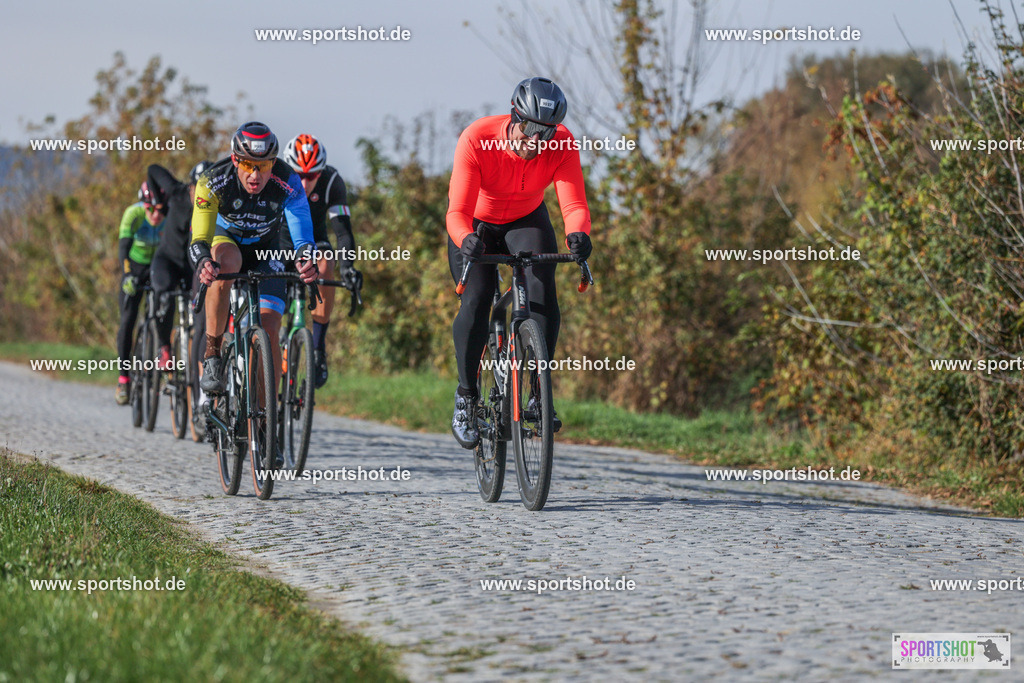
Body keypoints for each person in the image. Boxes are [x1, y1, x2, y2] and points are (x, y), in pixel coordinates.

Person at [446, 77, 593, 448]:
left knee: (543, 292)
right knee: (478, 299)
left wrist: (578, 234)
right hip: (475, 224)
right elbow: (456, 212)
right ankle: (466, 395)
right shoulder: (477, 138)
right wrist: (467, 240)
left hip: (526, 219)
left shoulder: (560, 143)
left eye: (545, 132)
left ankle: (539, 395)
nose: (535, 140)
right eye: (528, 128)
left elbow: (574, 206)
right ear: (513, 117)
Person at [188, 121, 319, 396]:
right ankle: (212, 355)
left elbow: (302, 234)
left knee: (270, 328)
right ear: (235, 160)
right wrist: (203, 260)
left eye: (264, 165)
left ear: (274, 162)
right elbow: (199, 238)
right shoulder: (213, 180)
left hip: (264, 250)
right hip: (228, 241)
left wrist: (306, 258)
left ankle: (261, 419)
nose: (255, 175)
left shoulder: (288, 181)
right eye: (248, 165)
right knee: (226, 263)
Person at [280, 134, 361, 387]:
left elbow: (343, 232)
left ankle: (317, 347)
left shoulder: (331, 181)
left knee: (327, 263)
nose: (304, 184)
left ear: (321, 171)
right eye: (299, 175)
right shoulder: (276, 177)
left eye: (312, 175)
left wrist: (348, 268)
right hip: (279, 242)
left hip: (314, 240)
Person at [147, 160, 212, 371]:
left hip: (191, 267)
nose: (200, 195)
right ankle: (164, 348)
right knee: (164, 295)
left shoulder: (212, 206)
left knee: (201, 313)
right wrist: (159, 203)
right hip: (168, 261)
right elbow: (153, 170)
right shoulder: (177, 192)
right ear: (190, 187)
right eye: (197, 189)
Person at [114, 182, 166, 404]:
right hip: (134, 266)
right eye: (150, 209)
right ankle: (124, 378)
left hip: (157, 266)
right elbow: (123, 248)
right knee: (127, 321)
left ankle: (161, 359)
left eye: (160, 210)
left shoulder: (169, 214)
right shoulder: (133, 214)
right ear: (143, 205)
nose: (155, 215)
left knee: (163, 312)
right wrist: (127, 274)